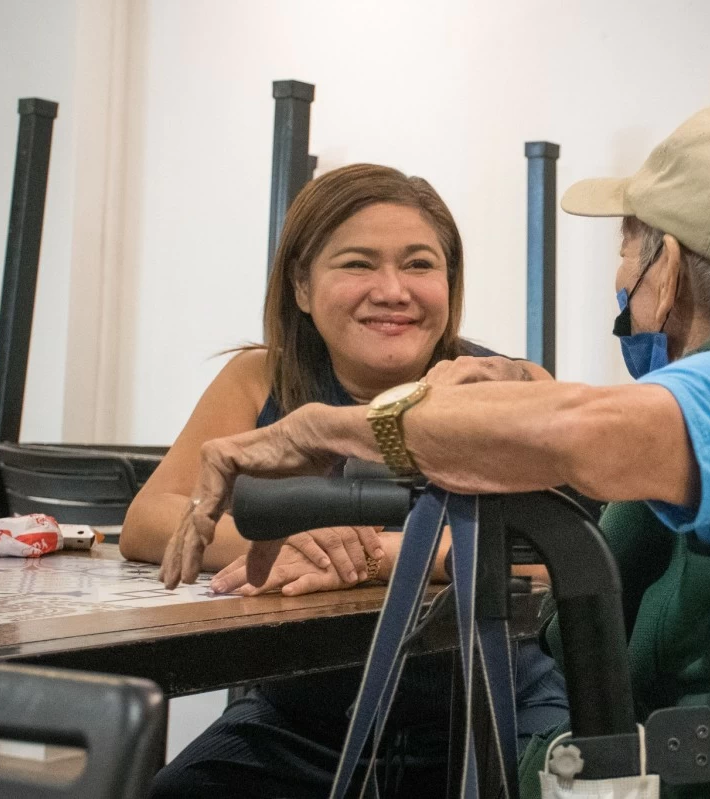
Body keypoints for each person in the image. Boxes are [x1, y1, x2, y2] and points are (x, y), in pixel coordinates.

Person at [162, 106, 710, 798]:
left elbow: (573, 433)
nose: (619, 275)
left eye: (626, 247)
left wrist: (318, 429)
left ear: (669, 267)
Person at [122, 163, 568, 798]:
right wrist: (287, 541)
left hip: (493, 716)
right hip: (302, 724)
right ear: (301, 286)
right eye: (358, 264)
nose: (392, 290)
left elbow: (552, 556)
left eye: (419, 264)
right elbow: (151, 519)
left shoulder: (506, 385)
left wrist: (376, 557)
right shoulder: (258, 379)